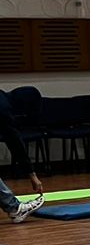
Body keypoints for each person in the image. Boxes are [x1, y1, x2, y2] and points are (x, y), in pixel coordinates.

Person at [0, 88, 44, 224]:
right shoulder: (3, 108)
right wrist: (32, 175)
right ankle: (15, 208)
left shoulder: (3, 98)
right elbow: (15, 143)